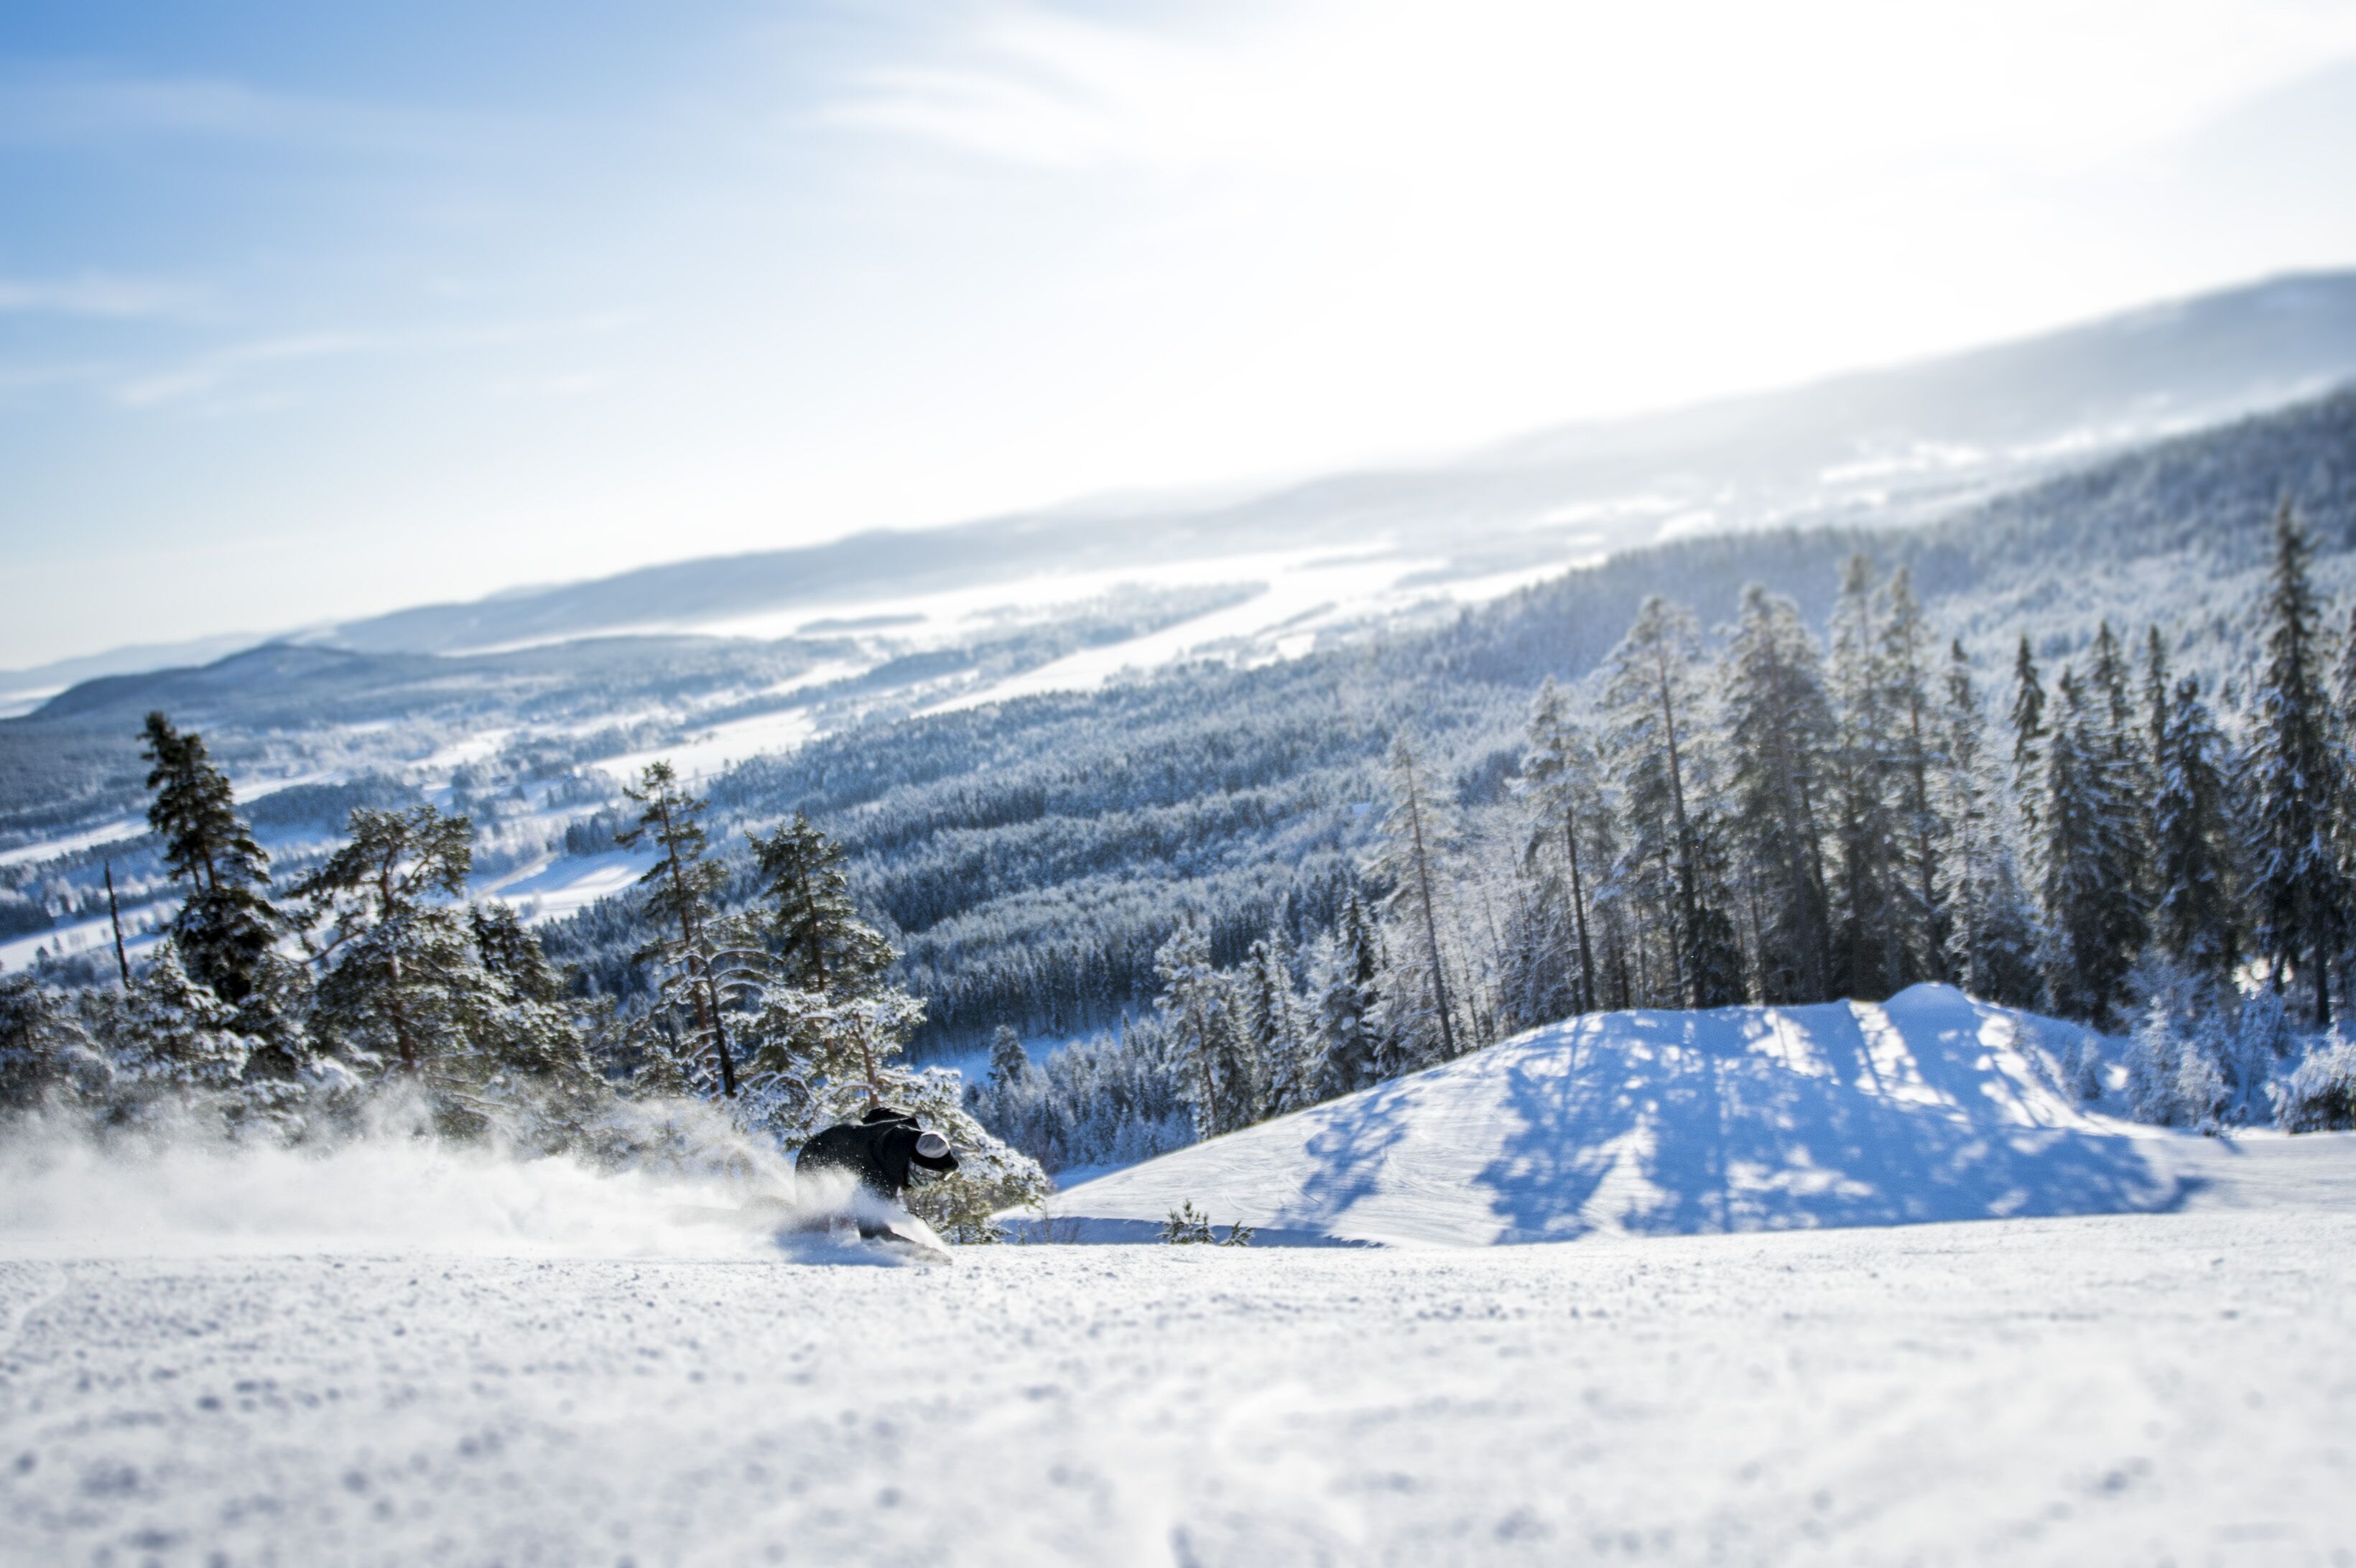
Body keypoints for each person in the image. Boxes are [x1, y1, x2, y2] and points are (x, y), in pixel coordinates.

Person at [794, 1105, 960, 1236]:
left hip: (841, 1150)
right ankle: (781, 1220)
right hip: (816, 1157)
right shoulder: (879, 1174)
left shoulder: (908, 1131)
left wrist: (863, 1134)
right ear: (914, 1166)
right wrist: (924, 1253)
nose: (932, 1182)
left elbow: (878, 1113)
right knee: (815, 1230)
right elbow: (874, 1236)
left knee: (846, 1219)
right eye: (931, 1174)